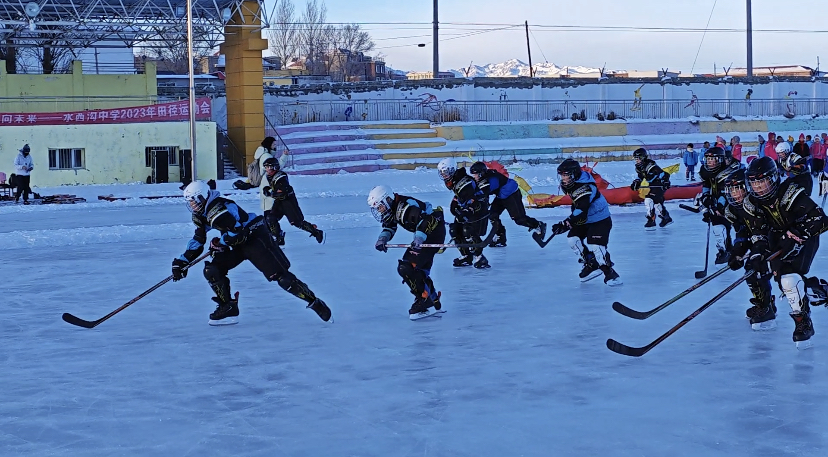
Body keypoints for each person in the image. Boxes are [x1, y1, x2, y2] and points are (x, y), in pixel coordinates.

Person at [172, 181, 331, 325]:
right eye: (190, 202)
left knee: (282, 278)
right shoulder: (202, 214)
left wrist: (220, 243)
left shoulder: (219, 211)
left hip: (255, 238)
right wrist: (182, 261)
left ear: (203, 197)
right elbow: (199, 239)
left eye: (194, 201)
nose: (192, 205)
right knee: (212, 270)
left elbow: (238, 234)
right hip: (238, 242)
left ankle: (314, 301)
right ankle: (228, 307)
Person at [742, 157, 828, 347]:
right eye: (754, 183)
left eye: (762, 181)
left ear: (772, 179)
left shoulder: (790, 193)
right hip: (778, 239)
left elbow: (821, 220)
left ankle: (803, 321)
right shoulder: (751, 203)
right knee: (757, 270)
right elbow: (757, 231)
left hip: (804, 238)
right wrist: (758, 251)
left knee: (789, 279)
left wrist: (797, 233)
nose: (759, 187)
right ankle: (766, 308)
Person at [368, 185, 447, 320]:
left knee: (407, 267)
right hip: (424, 236)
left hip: (432, 233)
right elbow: (389, 225)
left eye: (380, 207)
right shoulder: (392, 208)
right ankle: (433, 300)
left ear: (387, 200)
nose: (379, 211)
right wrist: (382, 239)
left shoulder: (405, 208)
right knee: (418, 270)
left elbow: (428, 220)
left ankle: (425, 300)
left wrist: (419, 239)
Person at [550, 159, 622, 285]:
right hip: (585, 219)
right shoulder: (571, 184)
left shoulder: (585, 187)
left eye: (567, 175)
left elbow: (581, 209)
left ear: (575, 174)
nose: (564, 179)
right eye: (562, 176)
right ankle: (591, 263)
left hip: (599, 219)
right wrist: (568, 223)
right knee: (573, 240)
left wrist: (566, 223)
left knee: (597, 247)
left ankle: (610, 273)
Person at [722, 168, 777, 330]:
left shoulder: (756, 203)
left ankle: (767, 306)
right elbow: (742, 231)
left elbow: (764, 229)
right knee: (751, 270)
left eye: (738, 189)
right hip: (758, 241)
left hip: (774, 241)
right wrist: (737, 251)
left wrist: (760, 249)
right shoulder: (733, 209)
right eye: (731, 190)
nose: (735, 193)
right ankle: (763, 304)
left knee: (757, 270)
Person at [469, 161, 546, 247]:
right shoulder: (484, 178)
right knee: (492, 215)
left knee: (519, 219)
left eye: (475, 175)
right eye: (473, 175)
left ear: (481, 173)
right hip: (502, 195)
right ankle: (500, 237)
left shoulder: (492, 179)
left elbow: (484, 193)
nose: (474, 177)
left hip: (511, 194)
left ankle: (538, 225)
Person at [438, 158, 490, 269]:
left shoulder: (465, 181)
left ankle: (479, 256)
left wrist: (466, 210)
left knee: (467, 230)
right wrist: (455, 205)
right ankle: (466, 256)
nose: (444, 175)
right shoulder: (457, 180)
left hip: (478, 209)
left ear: (452, 170)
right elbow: (459, 196)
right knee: (454, 230)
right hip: (466, 209)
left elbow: (473, 199)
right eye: (442, 173)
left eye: (445, 172)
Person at [262, 157, 323, 245]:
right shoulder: (270, 176)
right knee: (270, 218)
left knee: (297, 222)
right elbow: (276, 190)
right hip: (279, 202)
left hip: (288, 202)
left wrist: (271, 193)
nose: (267, 169)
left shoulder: (281, 177)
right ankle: (278, 237)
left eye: (269, 167)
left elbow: (282, 193)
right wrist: (268, 189)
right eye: (266, 167)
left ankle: (316, 232)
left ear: (274, 167)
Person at [699, 146, 742, 264]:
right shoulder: (705, 170)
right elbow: (706, 185)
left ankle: (728, 250)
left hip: (729, 202)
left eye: (713, 159)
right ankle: (725, 250)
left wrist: (717, 206)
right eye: (708, 159)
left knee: (722, 226)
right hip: (716, 200)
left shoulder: (728, 171)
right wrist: (706, 198)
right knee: (718, 226)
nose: (710, 162)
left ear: (720, 160)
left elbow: (726, 192)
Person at [630, 148, 673, 229]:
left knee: (649, 199)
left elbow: (664, 174)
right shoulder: (639, 167)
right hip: (652, 185)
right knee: (657, 203)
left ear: (642, 158)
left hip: (659, 185)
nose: (636, 161)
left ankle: (651, 219)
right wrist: (636, 182)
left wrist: (666, 182)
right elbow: (640, 177)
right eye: (635, 159)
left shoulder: (652, 166)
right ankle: (666, 217)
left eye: (637, 159)